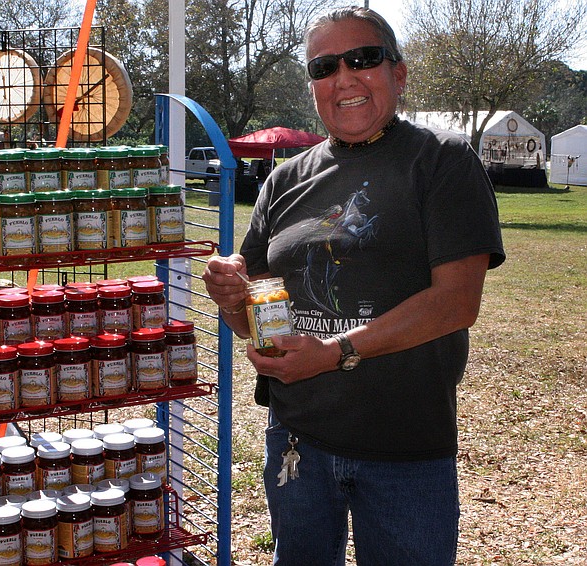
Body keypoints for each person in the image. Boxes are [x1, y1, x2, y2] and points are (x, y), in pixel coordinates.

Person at [202, 6, 505, 565]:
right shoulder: (284, 180)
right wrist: (232, 299)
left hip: (404, 450)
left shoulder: (441, 160)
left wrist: (335, 353)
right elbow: (256, 320)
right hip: (297, 442)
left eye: (363, 58)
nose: (344, 77)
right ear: (314, 84)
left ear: (399, 72)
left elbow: (457, 302)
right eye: (324, 66)